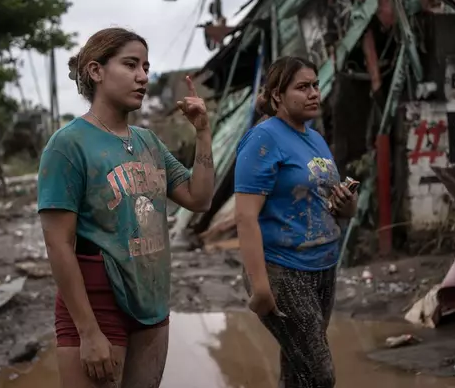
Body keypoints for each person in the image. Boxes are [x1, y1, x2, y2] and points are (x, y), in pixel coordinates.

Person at [37, 27, 214, 387]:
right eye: (131, 64)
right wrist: (88, 332)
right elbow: (58, 244)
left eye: (146, 67)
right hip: (97, 305)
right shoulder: (68, 145)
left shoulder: (148, 141)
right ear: (96, 71)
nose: (143, 77)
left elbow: (199, 199)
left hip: (151, 300)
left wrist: (203, 133)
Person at [234, 56, 357, 388]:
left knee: (298, 370)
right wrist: (260, 287)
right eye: (303, 87)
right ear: (277, 96)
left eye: (315, 85)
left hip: (322, 266)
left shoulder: (314, 138)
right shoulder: (263, 139)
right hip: (283, 271)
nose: (314, 93)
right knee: (320, 375)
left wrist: (346, 204)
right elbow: (245, 217)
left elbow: (329, 205)